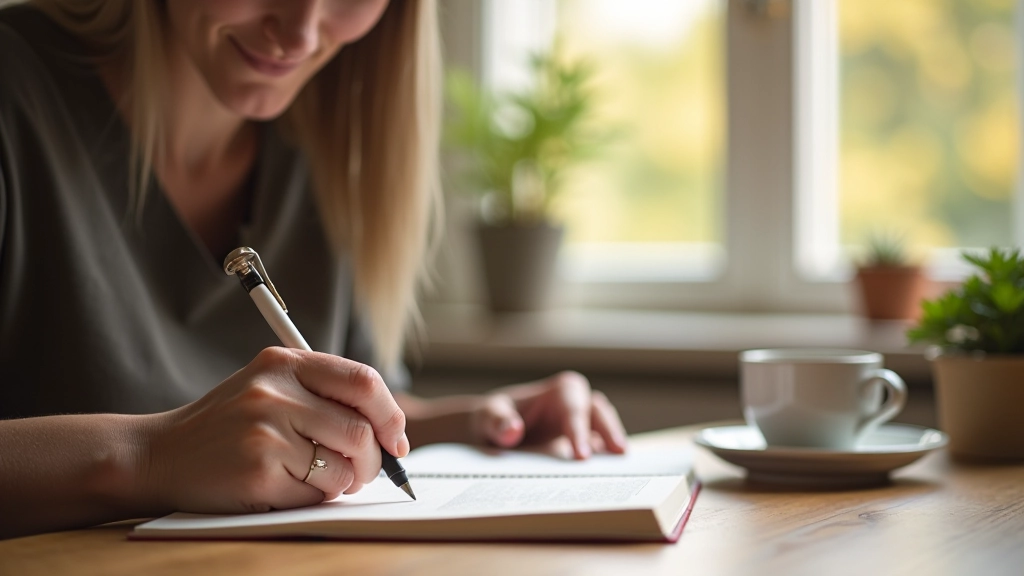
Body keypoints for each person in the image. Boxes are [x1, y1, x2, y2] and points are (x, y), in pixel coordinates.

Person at [0, 0, 628, 539]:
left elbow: (326, 412)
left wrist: (479, 421)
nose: (301, 33)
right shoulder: (15, 94)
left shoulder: (321, 146)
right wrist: (148, 457)